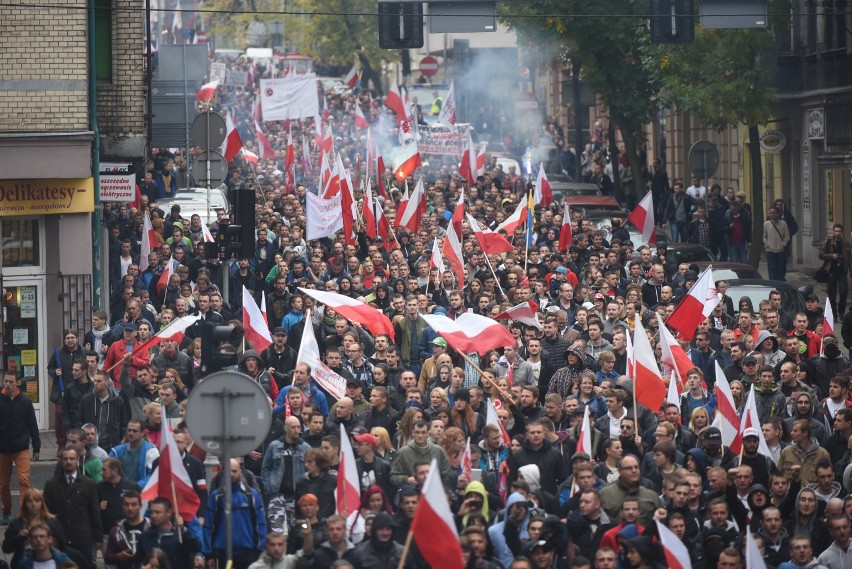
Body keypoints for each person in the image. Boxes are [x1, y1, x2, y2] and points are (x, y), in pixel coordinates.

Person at [43, 447, 102, 564]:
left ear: (77, 460)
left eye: (71, 458)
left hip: (82, 539)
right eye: (65, 459)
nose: (68, 462)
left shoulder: (88, 484)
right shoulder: (51, 485)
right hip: (59, 539)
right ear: (61, 461)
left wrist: (98, 538)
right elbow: (46, 513)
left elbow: (94, 512)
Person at [204, 459, 266, 569]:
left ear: (240, 472)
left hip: (249, 552)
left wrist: (260, 549)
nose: (231, 474)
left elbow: (260, 523)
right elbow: (209, 526)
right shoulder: (217, 496)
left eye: (234, 471)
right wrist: (209, 554)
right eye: (228, 471)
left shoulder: (251, 495)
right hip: (224, 553)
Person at [0, 370, 40, 525]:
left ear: (17, 383)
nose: (8, 384)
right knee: (3, 484)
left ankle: (23, 513)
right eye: (6, 381)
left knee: (24, 481)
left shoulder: (25, 401)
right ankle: (7, 510)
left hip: (21, 447)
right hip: (3, 449)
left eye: (11, 382)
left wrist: (36, 447)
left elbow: (32, 425)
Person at [2, 489, 67, 569]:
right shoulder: (17, 524)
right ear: (25, 504)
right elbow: (6, 548)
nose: (33, 504)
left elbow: (63, 545)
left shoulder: (52, 522)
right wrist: (18, 537)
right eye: (29, 501)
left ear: (42, 503)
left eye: (36, 501)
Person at [138, 498, 202, 569]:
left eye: (157, 512)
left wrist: (183, 530)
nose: (153, 515)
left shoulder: (180, 535)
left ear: (169, 513)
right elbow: (138, 560)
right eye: (152, 512)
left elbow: (196, 547)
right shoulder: (145, 536)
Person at [104, 490, 150, 569]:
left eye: (134, 504)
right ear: (122, 506)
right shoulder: (115, 531)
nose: (130, 508)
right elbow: (107, 558)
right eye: (126, 504)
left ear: (140, 506)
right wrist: (118, 556)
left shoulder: (151, 527)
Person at [109, 420, 159, 487]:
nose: (131, 433)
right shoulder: (117, 451)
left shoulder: (151, 451)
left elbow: (153, 475)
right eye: (129, 430)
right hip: (120, 490)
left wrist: (135, 486)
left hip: (141, 492)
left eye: (135, 431)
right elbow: (105, 466)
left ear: (143, 432)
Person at [820, 224, 851, 321]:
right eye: (836, 231)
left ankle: (841, 313)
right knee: (832, 295)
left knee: (843, 292)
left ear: (841, 232)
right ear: (833, 232)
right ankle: (834, 314)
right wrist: (831, 256)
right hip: (831, 272)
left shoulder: (845, 243)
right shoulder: (828, 242)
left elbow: (849, 258)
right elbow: (821, 255)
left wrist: (850, 270)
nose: (837, 233)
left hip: (842, 271)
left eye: (839, 231)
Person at [764, 206, 791, 281]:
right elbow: (764, 237)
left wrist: (783, 244)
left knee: (780, 269)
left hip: (780, 251)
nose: (772, 215)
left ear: (778, 214)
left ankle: (780, 284)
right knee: (772, 268)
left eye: (774, 213)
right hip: (770, 250)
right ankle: (772, 283)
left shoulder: (783, 224)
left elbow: (787, 236)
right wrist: (767, 244)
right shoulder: (766, 224)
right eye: (771, 213)